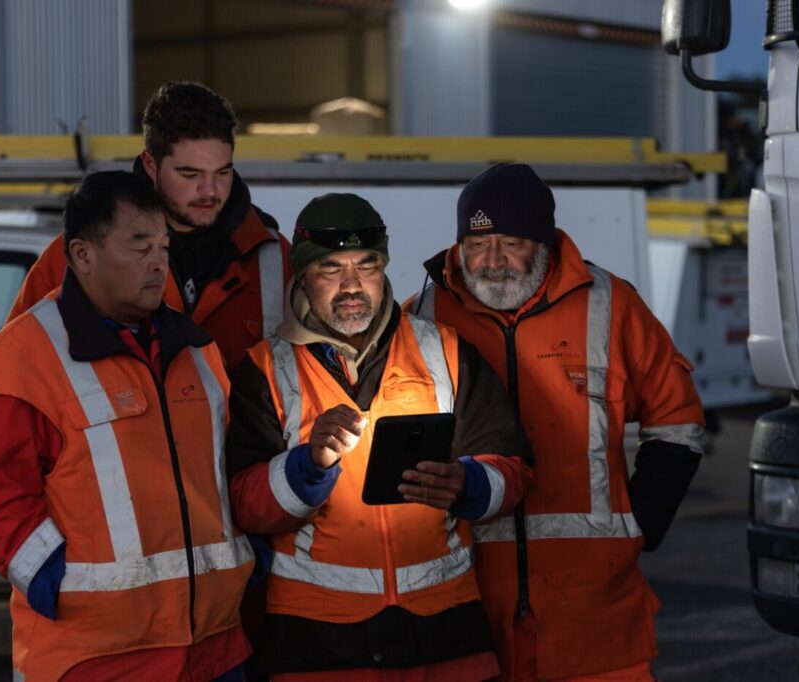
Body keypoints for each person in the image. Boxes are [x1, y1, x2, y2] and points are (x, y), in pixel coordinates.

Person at [407, 163, 705, 682]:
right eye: (477, 244)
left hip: (595, 610)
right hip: (465, 603)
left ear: (544, 242)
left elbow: (677, 421)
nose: (492, 262)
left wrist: (642, 525)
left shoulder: (612, 305)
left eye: (511, 242)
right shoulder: (420, 316)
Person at [0, 171, 253, 681]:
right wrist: (55, 580)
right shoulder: (22, 358)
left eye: (164, 245)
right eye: (140, 246)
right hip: (96, 656)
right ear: (82, 255)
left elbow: (225, 473)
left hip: (213, 648)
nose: (159, 261)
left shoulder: (198, 351)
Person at [227, 192, 533, 681]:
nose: (353, 285)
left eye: (367, 265)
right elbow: (242, 503)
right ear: (302, 274)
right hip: (316, 644)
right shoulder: (262, 369)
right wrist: (308, 467)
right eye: (331, 269)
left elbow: (513, 467)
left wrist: (467, 484)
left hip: (448, 635)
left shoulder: (445, 350)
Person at [7, 81, 290, 370]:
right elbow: (11, 376)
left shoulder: (273, 258)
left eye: (223, 172)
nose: (210, 190)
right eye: (190, 174)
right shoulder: (77, 257)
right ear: (151, 165)